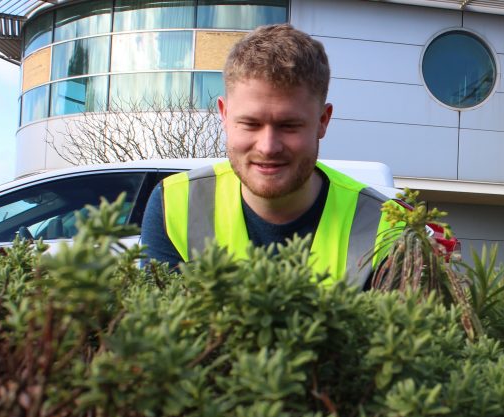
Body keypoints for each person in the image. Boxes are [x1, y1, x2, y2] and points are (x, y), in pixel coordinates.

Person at [141, 24, 401, 289]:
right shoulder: (173, 205)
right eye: (251, 124)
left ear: (323, 121)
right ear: (224, 116)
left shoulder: (385, 226)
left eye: (289, 126)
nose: (268, 147)